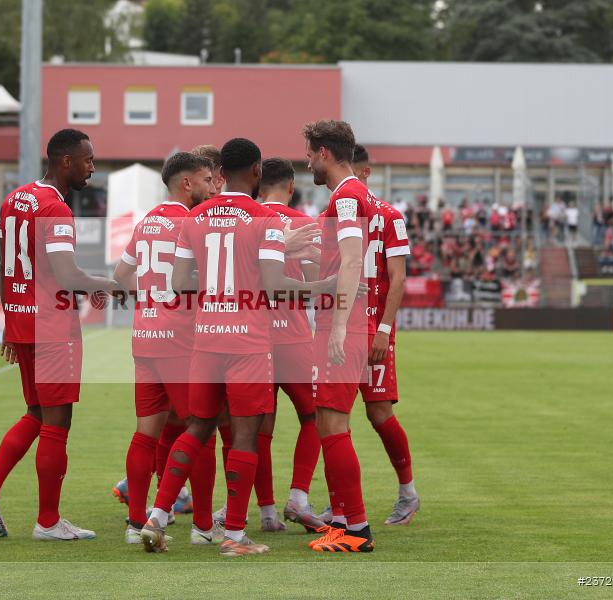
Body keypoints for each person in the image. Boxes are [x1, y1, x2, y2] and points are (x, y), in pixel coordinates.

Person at [140, 138, 332, 557]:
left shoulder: (195, 218)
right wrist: (326, 286)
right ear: (257, 172)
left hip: (206, 340)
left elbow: (177, 284)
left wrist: (215, 282)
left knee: (197, 427)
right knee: (245, 437)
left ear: (221, 173)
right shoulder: (262, 219)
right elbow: (274, 285)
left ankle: (156, 516)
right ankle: (235, 536)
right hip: (247, 342)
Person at [0, 128, 117, 541]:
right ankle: (48, 522)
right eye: (88, 159)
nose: (92, 167)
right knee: (57, 420)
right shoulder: (55, 208)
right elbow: (66, 273)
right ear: (65, 161)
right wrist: (104, 285)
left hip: (24, 320)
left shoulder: (14, 199)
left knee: (36, 413)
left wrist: (9, 321)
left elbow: (8, 266)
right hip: (53, 325)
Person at [112, 152, 218, 545]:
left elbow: (121, 275)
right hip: (181, 342)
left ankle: (135, 522)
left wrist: (147, 299)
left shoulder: (147, 222)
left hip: (146, 339)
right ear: (186, 183)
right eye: (206, 179)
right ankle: (204, 528)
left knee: (146, 434)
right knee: (200, 430)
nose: (211, 187)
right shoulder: (191, 223)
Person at [304, 120, 376, 553]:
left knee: (332, 424)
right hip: (342, 321)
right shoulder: (349, 196)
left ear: (325, 153)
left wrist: (342, 324)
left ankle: (356, 530)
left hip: (341, 324)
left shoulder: (348, 196)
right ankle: (346, 522)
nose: (308, 162)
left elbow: (351, 261)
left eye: (311, 154)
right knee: (328, 423)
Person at [349, 145, 420, 525]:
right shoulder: (337, 211)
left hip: (373, 328)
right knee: (331, 416)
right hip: (342, 329)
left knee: (378, 413)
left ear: (364, 172)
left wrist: (384, 330)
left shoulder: (390, 215)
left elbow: (398, 278)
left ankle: (408, 492)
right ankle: (341, 501)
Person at [255, 157, 326, 533]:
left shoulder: (247, 222)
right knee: (313, 416)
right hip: (295, 336)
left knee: (258, 426)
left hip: (253, 338)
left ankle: (266, 512)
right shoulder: (303, 224)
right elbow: (316, 284)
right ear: (290, 187)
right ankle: (298, 497)